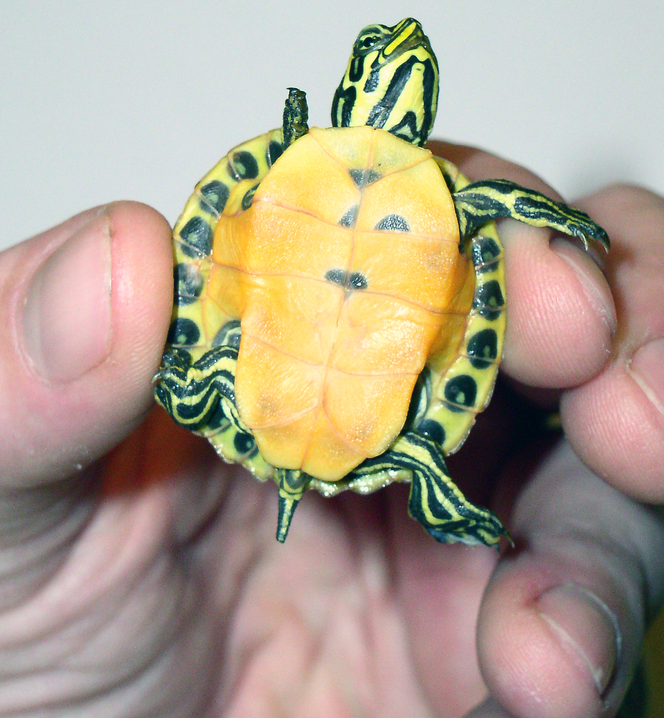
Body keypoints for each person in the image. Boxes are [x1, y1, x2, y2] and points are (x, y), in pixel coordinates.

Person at [1, 142, 663, 718]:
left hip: (327, 410)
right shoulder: (363, 177)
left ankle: (446, 503)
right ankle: (446, 501)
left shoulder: (395, 184)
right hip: (312, 404)